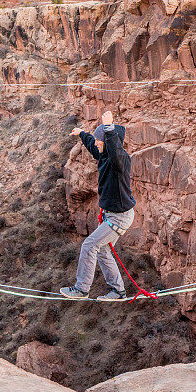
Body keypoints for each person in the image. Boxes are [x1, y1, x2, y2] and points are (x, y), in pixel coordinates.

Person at [60, 110, 136, 301]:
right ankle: (118, 291)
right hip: (112, 215)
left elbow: (115, 150)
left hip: (119, 217)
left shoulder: (120, 161)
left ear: (110, 143)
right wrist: (82, 134)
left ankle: (81, 289)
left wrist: (109, 127)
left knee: (89, 246)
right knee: (102, 250)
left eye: (99, 141)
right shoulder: (104, 155)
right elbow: (94, 148)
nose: (97, 144)